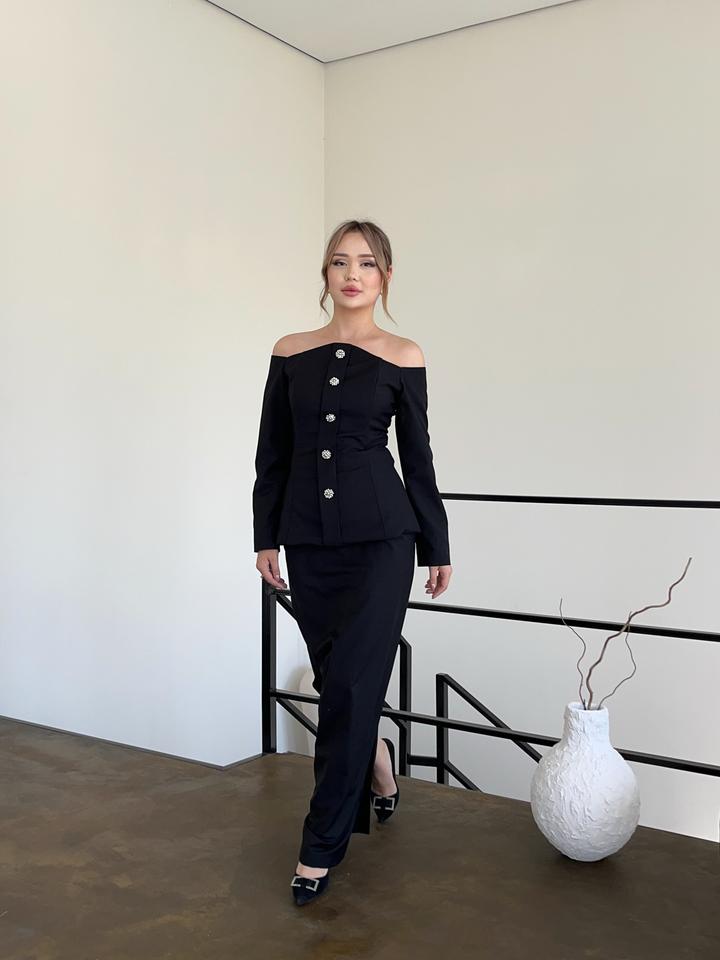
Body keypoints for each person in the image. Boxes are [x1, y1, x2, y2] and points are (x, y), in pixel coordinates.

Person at [252, 219, 453, 905]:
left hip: (383, 544)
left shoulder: (403, 355)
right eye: (340, 262)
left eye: (366, 263)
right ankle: (379, 758)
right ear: (326, 274)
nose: (352, 274)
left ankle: (319, 847)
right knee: (342, 683)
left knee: (348, 687)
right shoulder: (290, 352)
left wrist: (437, 545)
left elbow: (418, 460)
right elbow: (273, 454)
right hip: (308, 542)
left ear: (385, 276)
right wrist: (265, 537)